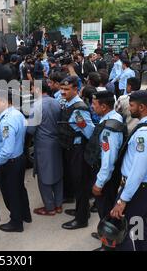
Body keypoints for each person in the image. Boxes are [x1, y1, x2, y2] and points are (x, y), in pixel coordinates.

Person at [110, 90, 147, 251]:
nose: (130, 109)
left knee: (121, 230)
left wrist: (123, 200)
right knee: (139, 223)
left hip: (136, 189)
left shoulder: (145, 134)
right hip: (145, 189)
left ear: (142, 107)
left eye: (132, 106)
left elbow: (138, 171)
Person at [86, 91, 125, 250]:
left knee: (105, 210)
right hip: (109, 174)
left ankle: (108, 245)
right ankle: (105, 235)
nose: (92, 107)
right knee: (106, 209)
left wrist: (99, 184)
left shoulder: (109, 129)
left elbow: (108, 161)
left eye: (94, 104)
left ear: (103, 106)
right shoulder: (114, 117)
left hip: (106, 177)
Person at [0, 89, 31, 233]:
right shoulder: (17, 113)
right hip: (18, 159)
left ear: (4, 102)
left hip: (9, 163)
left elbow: (7, 150)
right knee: (19, 190)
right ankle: (25, 215)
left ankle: (16, 222)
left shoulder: (7, 122)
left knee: (11, 193)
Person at [58, 76, 95, 230]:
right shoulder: (69, 104)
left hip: (78, 150)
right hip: (71, 149)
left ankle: (81, 219)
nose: (63, 92)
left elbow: (89, 131)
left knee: (81, 184)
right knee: (77, 183)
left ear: (75, 89)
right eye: (62, 89)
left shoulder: (78, 108)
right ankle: (82, 210)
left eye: (67, 89)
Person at [27, 82, 63, 216]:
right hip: (56, 142)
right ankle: (58, 204)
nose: (31, 91)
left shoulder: (36, 105)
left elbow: (31, 129)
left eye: (32, 88)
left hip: (43, 144)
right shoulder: (56, 102)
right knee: (58, 173)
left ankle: (49, 207)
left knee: (44, 176)